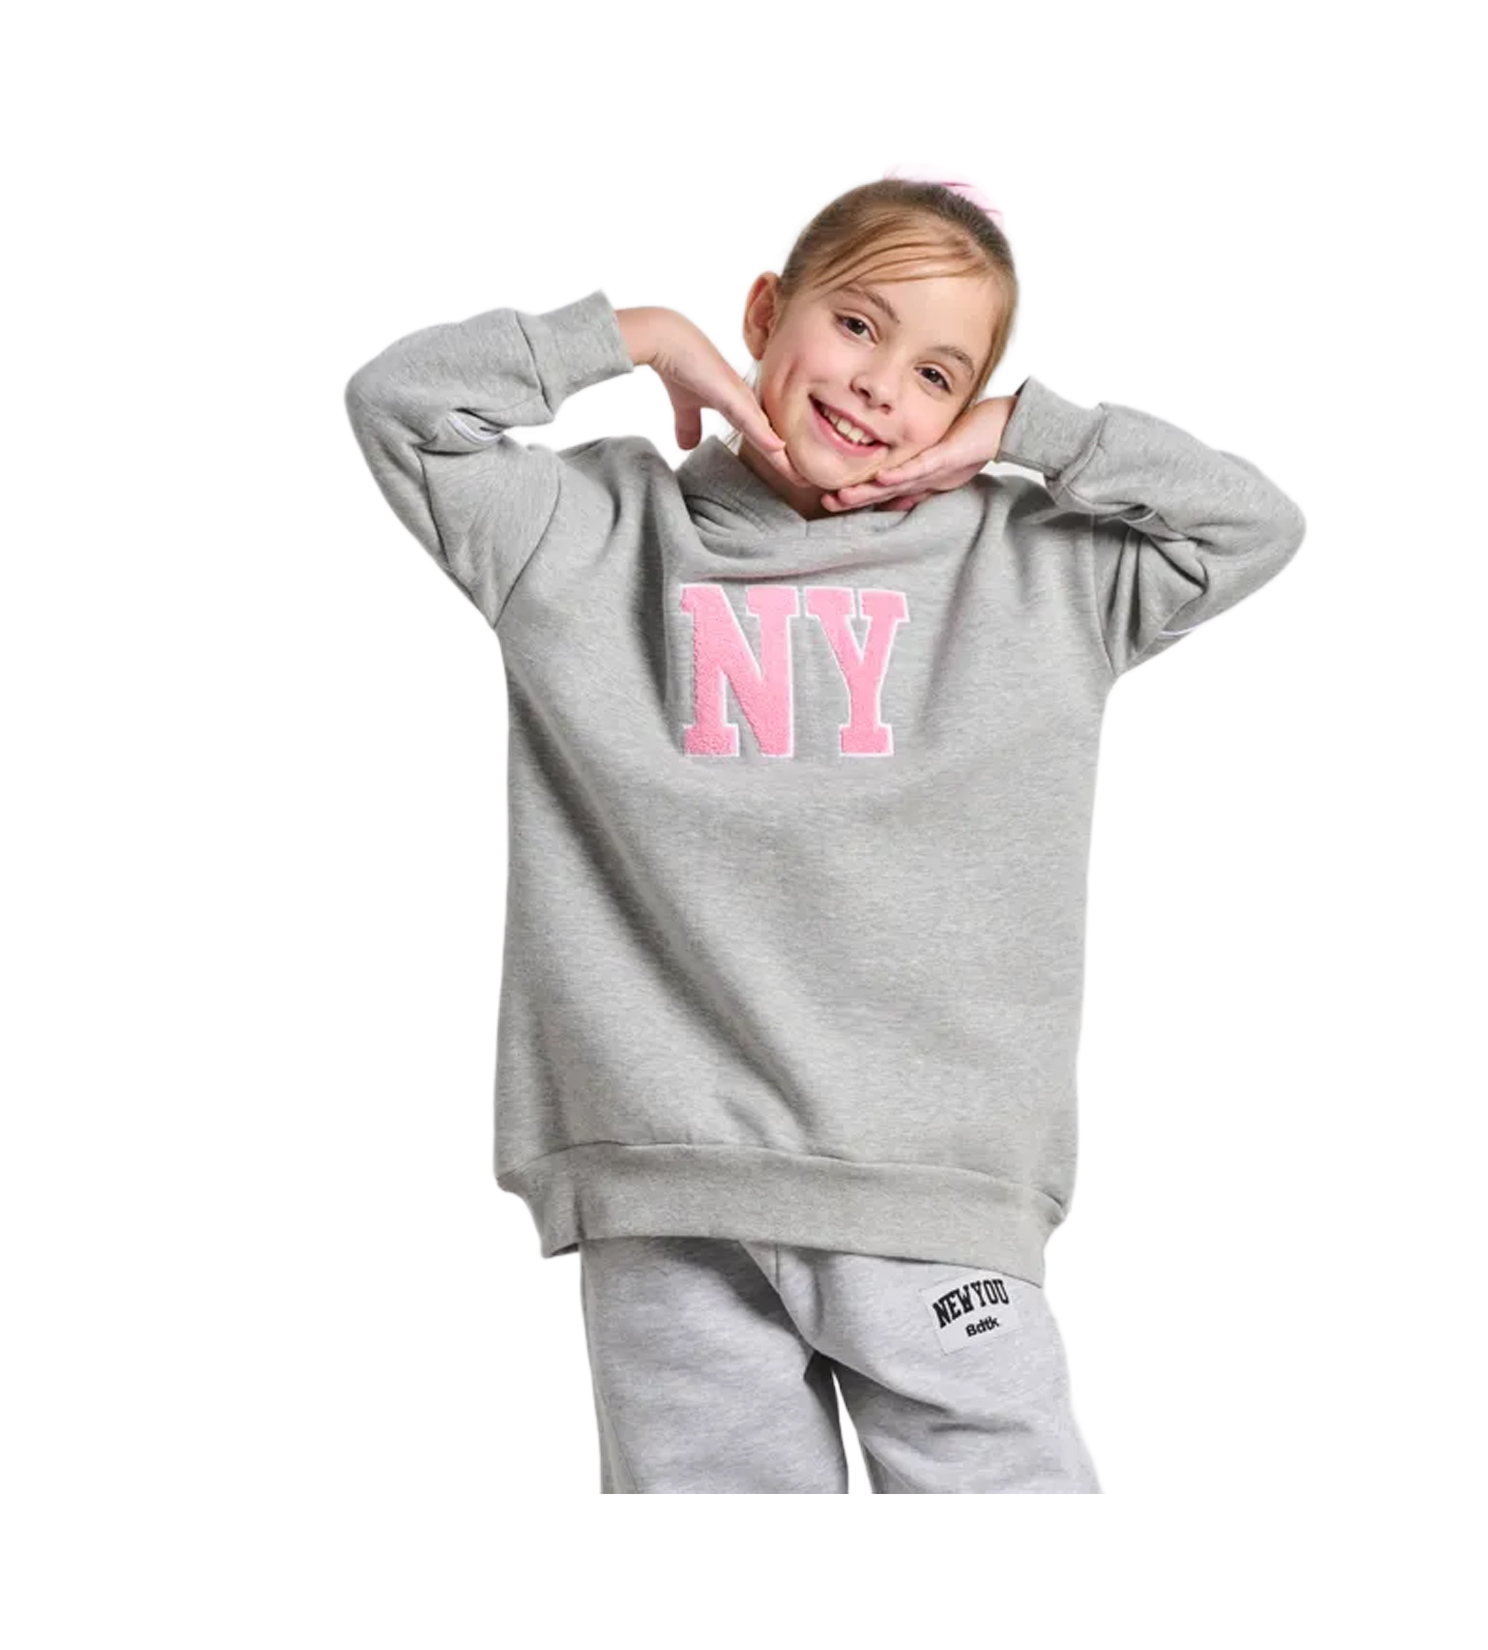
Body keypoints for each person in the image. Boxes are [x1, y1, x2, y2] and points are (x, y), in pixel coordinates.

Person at [342, 172, 1307, 1494]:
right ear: (764, 313)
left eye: (937, 373)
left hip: (931, 1187)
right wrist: (633, 336)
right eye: (856, 324)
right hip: (667, 1186)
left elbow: (1251, 526)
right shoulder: (587, 532)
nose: (876, 385)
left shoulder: (1036, 566)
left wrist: (1033, 431)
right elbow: (399, 406)